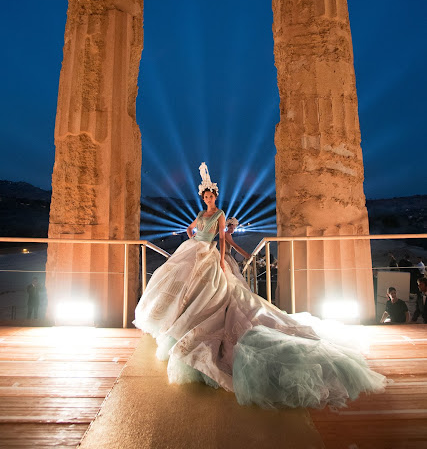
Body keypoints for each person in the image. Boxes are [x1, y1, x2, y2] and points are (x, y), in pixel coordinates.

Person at [134, 163, 386, 410]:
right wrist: (195, 237)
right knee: (179, 284)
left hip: (210, 254)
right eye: (206, 196)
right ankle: (178, 321)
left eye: (211, 196)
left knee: (212, 290)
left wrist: (221, 260)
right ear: (203, 198)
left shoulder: (220, 215)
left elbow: (223, 239)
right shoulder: (201, 215)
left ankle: (194, 320)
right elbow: (190, 230)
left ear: (215, 197)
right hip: (193, 249)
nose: (208, 199)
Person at [224, 217, 250, 284]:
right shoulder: (226, 234)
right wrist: (245, 254)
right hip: (225, 256)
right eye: (231, 228)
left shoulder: (229, 235)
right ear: (227, 227)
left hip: (228, 255)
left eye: (234, 228)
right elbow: (235, 246)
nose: (233, 230)